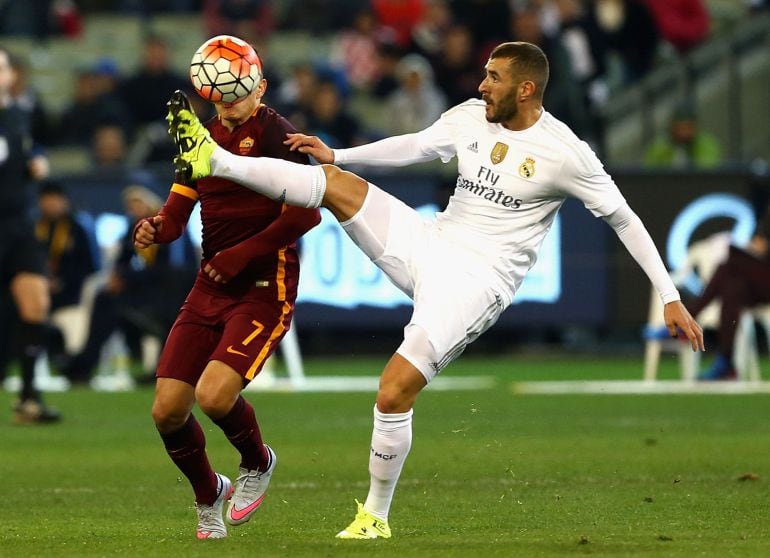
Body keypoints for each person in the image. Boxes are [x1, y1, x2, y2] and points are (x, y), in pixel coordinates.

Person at [167, 41, 704, 539]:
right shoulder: (471, 118)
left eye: (493, 78)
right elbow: (416, 147)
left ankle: (375, 517)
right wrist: (339, 156)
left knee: (393, 390)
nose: (481, 86)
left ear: (526, 88)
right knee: (332, 187)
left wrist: (669, 294)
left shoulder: (566, 153)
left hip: (478, 282)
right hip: (431, 242)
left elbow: (625, 219)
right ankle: (218, 161)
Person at [134, 42, 321, 540]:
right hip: (210, 287)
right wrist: (155, 226)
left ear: (260, 88)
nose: (229, 101)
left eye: (239, 92)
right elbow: (176, 216)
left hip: (264, 285)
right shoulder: (200, 139)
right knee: (167, 409)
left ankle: (257, 462)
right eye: (220, 95)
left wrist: (241, 254)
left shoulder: (278, 133)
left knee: (215, 396)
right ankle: (207, 493)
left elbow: (308, 211)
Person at [64, 185, 197, 384]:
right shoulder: (133, 228)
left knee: (118, 305)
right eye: (130, 206)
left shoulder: (172, 226)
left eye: (137, 204)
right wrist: (118, 277)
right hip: (145, 290)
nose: (132, 210)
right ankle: (84, 363)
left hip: (173, 293)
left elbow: (174, 271)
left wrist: (127, 277)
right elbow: (122, 261)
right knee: (105, 298)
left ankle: (159, 370)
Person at [0, 46, 60, 424]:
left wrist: (37, 164)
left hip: (19, 225)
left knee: (35, 302)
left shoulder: (21, 116)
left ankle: (28, 398)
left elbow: (26, 155)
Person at [685, 208, 770, 380]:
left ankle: (688, 318)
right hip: (761, 284)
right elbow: (760, 244)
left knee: (730, 262)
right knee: (732, 289)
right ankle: (726, 363)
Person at [644, 101, 722, 169]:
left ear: (695, 127)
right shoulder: (659, 146)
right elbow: (649, 172)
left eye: (688, 128)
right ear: (672, 127)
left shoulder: (707, 144)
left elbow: (707, 172)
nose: (684, 133)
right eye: (680, 128)